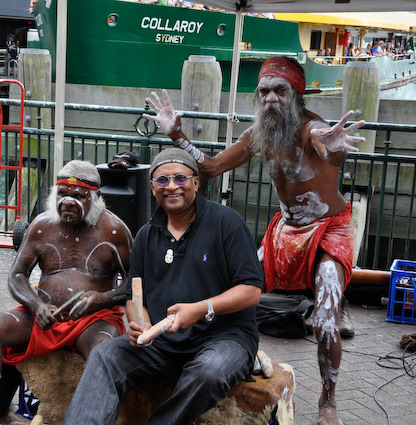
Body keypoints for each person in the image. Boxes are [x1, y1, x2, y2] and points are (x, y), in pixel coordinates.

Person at [142, 56, 365, 425]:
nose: (271, 98)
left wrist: (337, 148)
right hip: (285, 230)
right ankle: (231, 354)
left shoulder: (313, 129)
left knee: (324, 320)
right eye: (264, 91)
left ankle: (328, 402)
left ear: (296, 95)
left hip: (329, 228)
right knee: (231, 288)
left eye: (280, 91)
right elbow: (210, 168)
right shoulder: (259, 135)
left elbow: (331, 151)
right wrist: (176, 135)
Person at [63, 149, 263, 425]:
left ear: (196, 182)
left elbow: (252, 291)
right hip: (162, 344)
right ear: (152, 186)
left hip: (224, 339)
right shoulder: (146, 235)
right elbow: (134, 296)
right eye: (162, 180)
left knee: (207, 372)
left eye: (180, 178)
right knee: (105, 356)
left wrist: (201, 308)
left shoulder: (226, 222)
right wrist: (140, 324)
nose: (171, 186)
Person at [0, 160, 133, 425]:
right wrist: (36, 305)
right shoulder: (42, 226)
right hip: (44, 317)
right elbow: (17, 275)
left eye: (79, 196)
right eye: (62, 194)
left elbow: (135, 282)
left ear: (96, 198)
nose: (68, 202)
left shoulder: (114, 230)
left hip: (93, 321)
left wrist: (102, 298)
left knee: (104, 350)